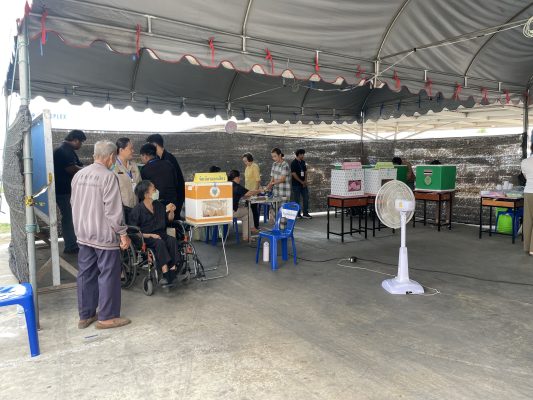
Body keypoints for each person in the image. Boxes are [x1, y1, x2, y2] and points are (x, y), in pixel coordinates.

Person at [71, 140, 131, 330]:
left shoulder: (79, 175)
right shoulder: (108, 177)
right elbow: (113, 211)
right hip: (103, 235)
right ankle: (107, 317)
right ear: (112, 157)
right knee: (109, 275)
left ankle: (86, 315)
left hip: (83, 233)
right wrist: (123, 234)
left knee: (85, 274)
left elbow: (73, 203)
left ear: (94, 155)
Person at [129, 180, 185, 285]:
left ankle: (172, 272)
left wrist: (171, 211)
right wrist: (150, 235)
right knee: (159, 243)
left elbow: (169, 220)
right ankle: (165, 273)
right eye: (154, 190)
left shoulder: (158, 205)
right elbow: (134, 232)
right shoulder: (137, 210)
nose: (157, 191)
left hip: (160, 234)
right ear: (146, 195)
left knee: (172, 240)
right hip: (146, 237)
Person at [53, 129, 86, 254]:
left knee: (71, 216)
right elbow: (71, 168)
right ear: (75, 140)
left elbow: (77, 165)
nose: (81, 145)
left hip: (66, 190)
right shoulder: (64, 150)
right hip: (64, 191)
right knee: (68, 217)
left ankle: (73, 243)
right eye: (81, 142)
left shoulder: (67, 149)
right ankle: (71, 245)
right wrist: (86, 170)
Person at [146, 134, 185, 216]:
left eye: (149, 146)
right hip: (163, 202)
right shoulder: (157, 159)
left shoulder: (169, 159)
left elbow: (176, 182)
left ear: (155, 145)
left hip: (173, 201)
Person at [139, 143, 179, 210]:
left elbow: (145, 190)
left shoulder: (145, 170)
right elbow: (176, 183)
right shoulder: (168, 164)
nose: (141, 159)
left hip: (156, 205)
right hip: (172, 203)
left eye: (141, 156)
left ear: (145, 156)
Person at [113, 137, 141, 222]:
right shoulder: (113, 166)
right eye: (130, 148)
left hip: (135, 209)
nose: (133, 151)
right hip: (120, 211)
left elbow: (140, 184)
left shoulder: (134, 165)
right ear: (121, 150)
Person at [228, 170, 261, 241]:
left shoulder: (227, 184)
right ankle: (252, 228)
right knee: (248, 210)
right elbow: (250, 193)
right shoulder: (236, 186)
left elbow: (240, 194)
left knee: (246, 216)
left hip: (224, 211)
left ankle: (247, 236)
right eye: (239, 177)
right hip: (232, 212)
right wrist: (261, 190)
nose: (240, 179)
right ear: (236, 178)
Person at [291, 149, 312, 219]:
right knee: (297, 200)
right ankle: (298, 214)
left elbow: (305, 172)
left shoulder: (303, 162)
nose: (303, 156)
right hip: (296, 185)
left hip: (303, 184)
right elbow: (293, 174)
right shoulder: (293, 163)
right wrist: (301, 182)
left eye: (303, 154)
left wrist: (305, 181)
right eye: (302, 154)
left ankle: (305, 213)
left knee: (306, 198)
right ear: (299, 154)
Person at [242, 153, 261, 229]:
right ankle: (250, 225)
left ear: (250, 160)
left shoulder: (255, 167)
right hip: (247, 192)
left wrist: (255, 192)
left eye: (246, 161)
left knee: (254, 209)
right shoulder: (247, 167)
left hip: (253, 192)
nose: (245, 162)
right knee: (248, 209)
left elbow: (258, 180)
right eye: (244, 161)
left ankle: (256, 226)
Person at [521, 143, 533, 255]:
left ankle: (526, 247)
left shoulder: (524, 162)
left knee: (528, 219)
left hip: (528, 191)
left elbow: (526, 177)